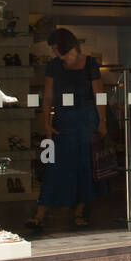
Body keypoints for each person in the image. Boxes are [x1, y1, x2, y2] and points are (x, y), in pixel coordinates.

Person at [26, 28, 107, 233]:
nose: (53, 52)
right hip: (63, 122)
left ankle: (78, 212)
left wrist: (102, 122)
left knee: (84, 168)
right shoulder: (54, 66)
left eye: (55, 47)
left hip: (86, 121)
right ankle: (40, 214)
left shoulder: (89, 64)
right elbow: (47, 96)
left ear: (64, 45)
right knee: (55, 167)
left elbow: (99, 95)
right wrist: (46, 122)